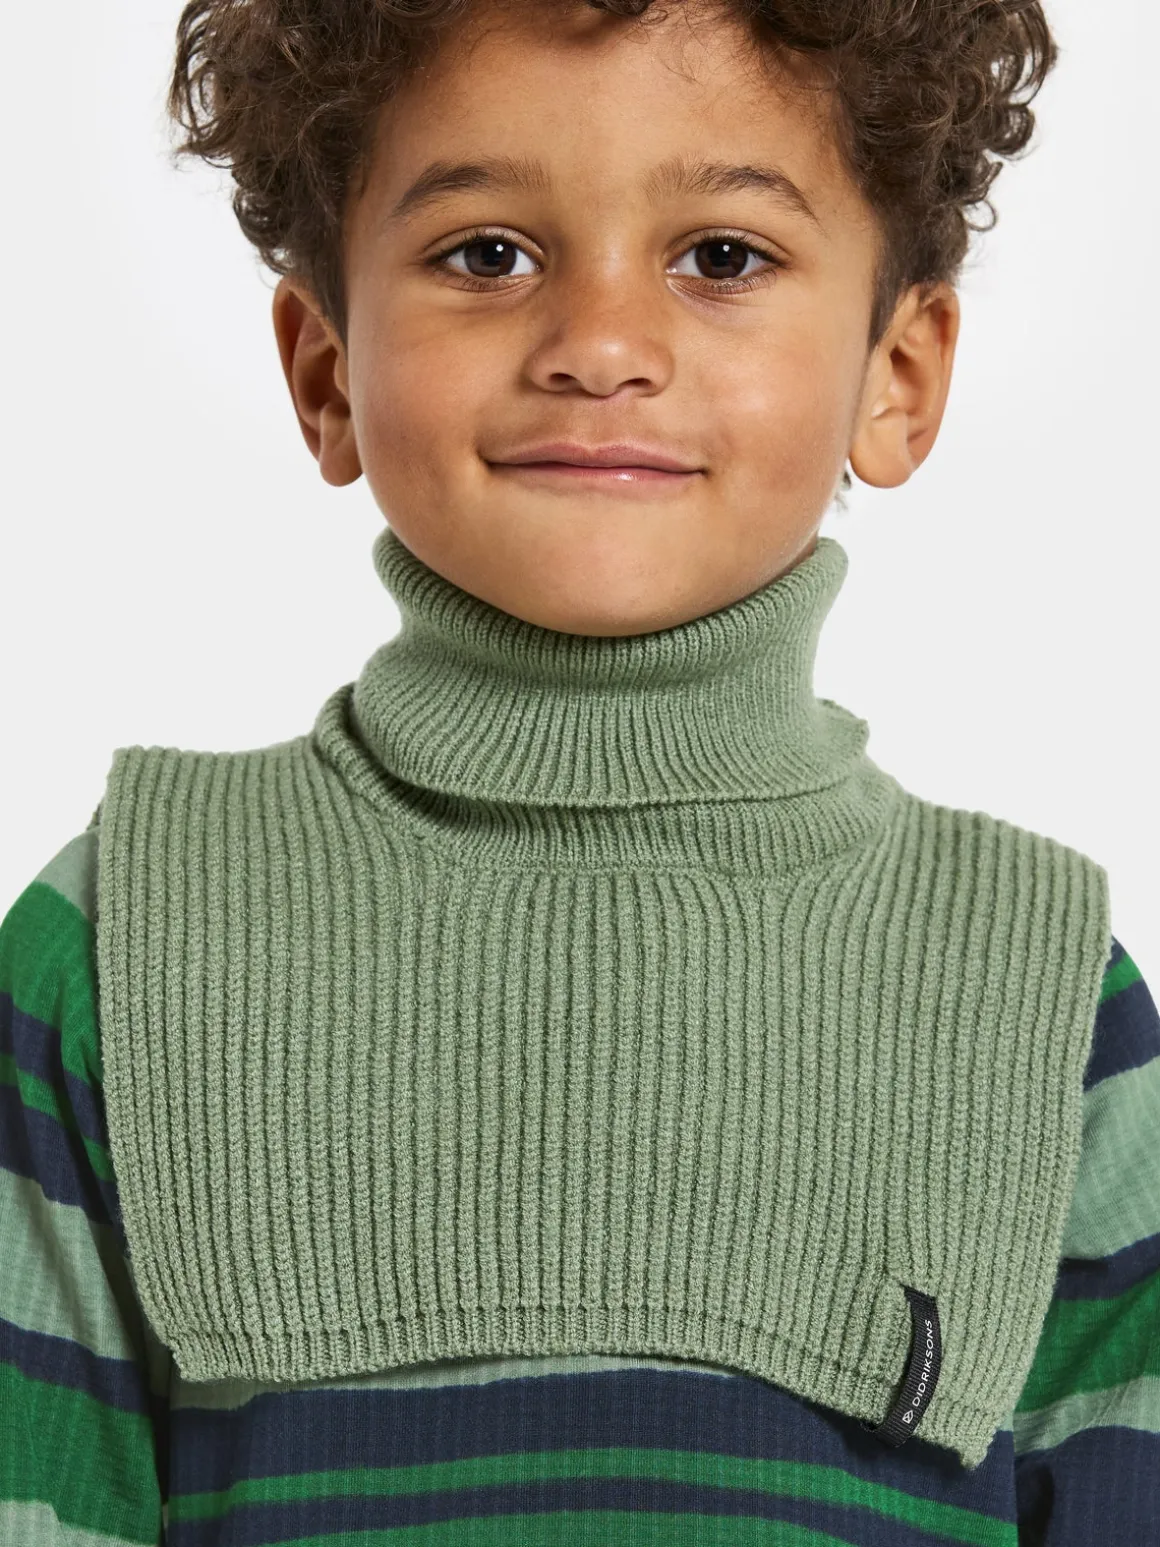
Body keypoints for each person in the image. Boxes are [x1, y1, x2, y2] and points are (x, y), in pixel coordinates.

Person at [2, 0, 1157, 1540]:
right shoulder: (121, 940)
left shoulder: (1036, 990)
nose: (601, 347)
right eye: (488, 254)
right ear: (326, 369)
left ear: (897, 374)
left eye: (721, 257)